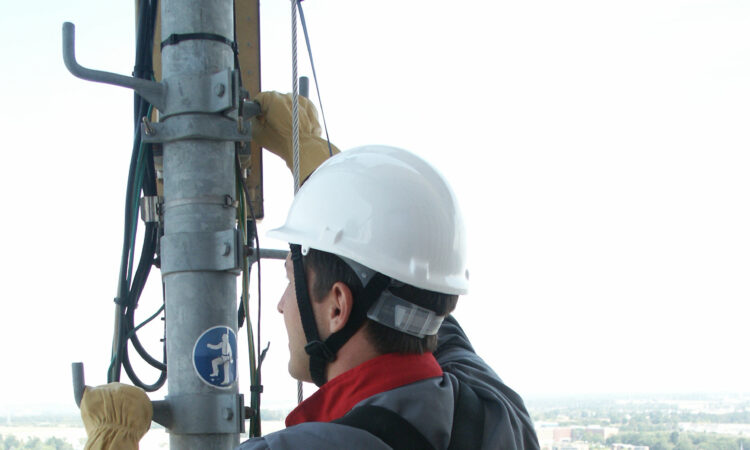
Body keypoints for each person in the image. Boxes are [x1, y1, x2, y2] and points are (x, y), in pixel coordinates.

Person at [237, 145, 539, 449]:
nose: (281, 304)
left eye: (290, 279)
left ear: (337, 306)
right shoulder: (501, 418)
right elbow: (426, 307)